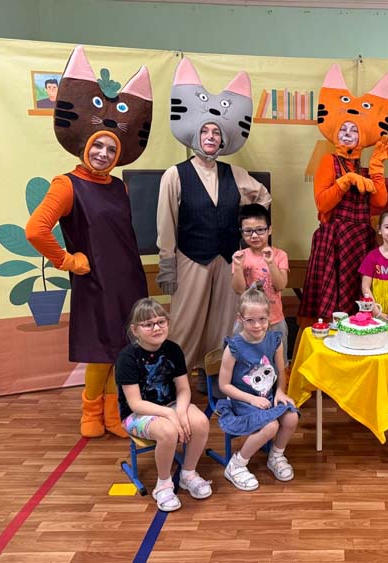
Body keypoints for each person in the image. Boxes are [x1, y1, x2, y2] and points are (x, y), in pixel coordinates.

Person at [26, 46, 151, 438]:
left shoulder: (118, 186)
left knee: (125, 348)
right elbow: (36, 230)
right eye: (98, 145)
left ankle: (114, 413)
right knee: (102, 350)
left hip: (128, 279)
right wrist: (67, 261)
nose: (102, 153)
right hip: (96, 281)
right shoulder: (67, 184)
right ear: (85, 145)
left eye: (111, 148)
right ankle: (91, 410)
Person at [157, 57, 271, 379]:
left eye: (216, 132)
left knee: (223, 323)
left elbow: (262, 197)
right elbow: (166, 223)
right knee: (186, 322)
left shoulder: (235, 173)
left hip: (226, 259)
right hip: (191, 258)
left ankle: (215, 379)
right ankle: (175, 379)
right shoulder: (175, 175)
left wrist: (249, 233)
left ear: (223, 139)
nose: (211, 136)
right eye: (205, 131)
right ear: (195, 134)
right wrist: (167, 264)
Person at [297, 64, 388, 329]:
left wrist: (377, 168)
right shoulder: (328, 162)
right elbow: (322, 203)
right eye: (344, 130)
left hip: (360, 241)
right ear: (336, 134)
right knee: (329, 308)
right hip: (333, 240)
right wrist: (345, 180)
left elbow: (380, 202)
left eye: (354, 130)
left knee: (357, 304)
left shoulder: (367, 168)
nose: (348, 135)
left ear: (362, 136)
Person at [115, 298, 213, 512]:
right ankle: (164, 484)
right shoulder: (127, 358)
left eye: (161, 322)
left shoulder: (173, 349)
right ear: (135, 330)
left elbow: (184, 388)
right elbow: (135, 403)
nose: (156, 328)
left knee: (201, 422)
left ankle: (188, 473)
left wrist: (181, 412)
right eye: (148, 324)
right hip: (137, 414)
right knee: (168, 431)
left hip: (171, 404)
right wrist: (170, 415)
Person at [217, 288, 299, 491]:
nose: (257, 325)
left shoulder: (274, 340)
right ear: (240, 319)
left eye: (262, 319)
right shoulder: (234, 347)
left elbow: (281, 370)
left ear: (269, 316)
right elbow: (224, 385)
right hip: (242, 401)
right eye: (250, 320)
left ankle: (276, 456)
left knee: (291, 418)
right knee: (271, 426)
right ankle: (237, 464)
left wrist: (280, 391)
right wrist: (251, 399)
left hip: (268, 397)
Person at [232, 203, 290, 365]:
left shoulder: (279, 255)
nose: (254, 235)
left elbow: (280, 285)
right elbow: (238, 290)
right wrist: (238, 267)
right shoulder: (240, 256)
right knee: (244, 363)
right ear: (242, 232)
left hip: (274, 319)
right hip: (246, 320)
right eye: (248, 231)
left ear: (269, 230)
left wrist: (270, 263)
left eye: (260, 230)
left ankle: (279, 383)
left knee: (278, 363)